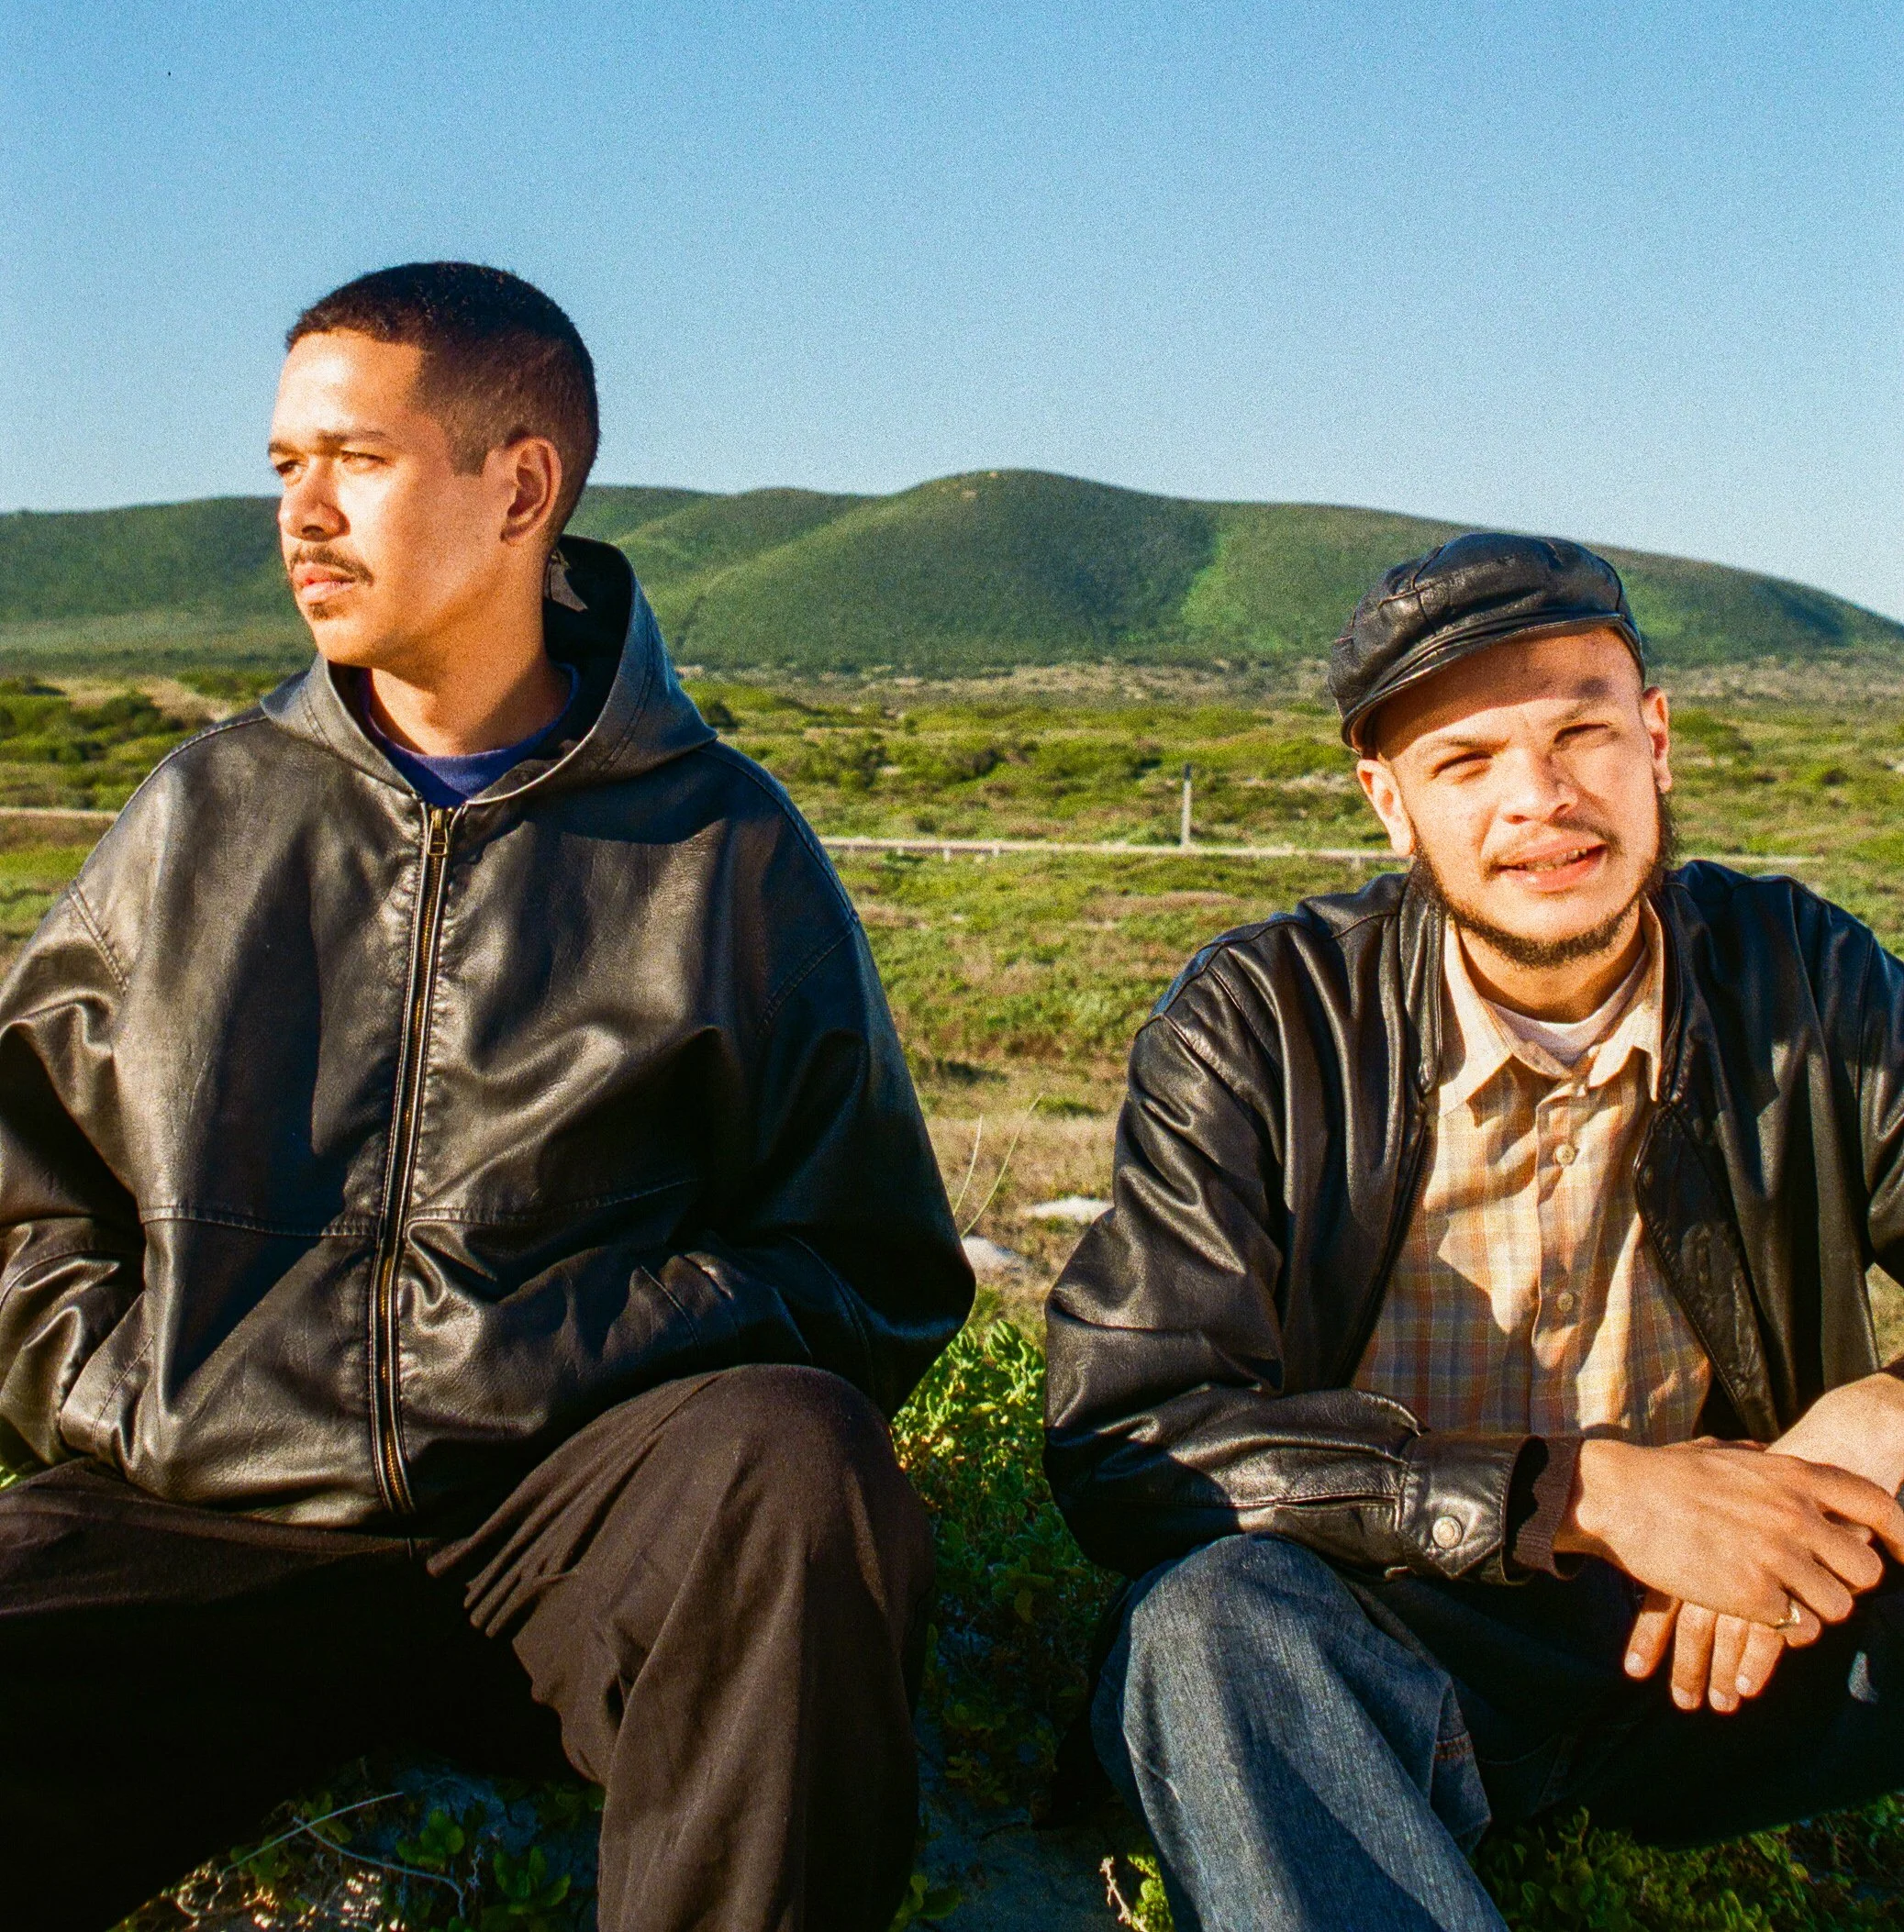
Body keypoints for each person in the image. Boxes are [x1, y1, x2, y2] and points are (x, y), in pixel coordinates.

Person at [0, 260, 972, 1932]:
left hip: (569, 1547)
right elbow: (20, 1193)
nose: (301, 513)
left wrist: (595, 1343)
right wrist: (123, 1407)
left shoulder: (721, 846)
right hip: (208, 1521)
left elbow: (872, 1270)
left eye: (356, 460)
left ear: (520, 485)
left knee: (794, 1458)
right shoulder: (202, 812)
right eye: (283, 466)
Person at [1046, 531, 1904, 1932]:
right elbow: (1128, 1439)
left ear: (1656, 738)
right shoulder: (1264, 1024)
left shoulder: (1802, 978)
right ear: (1389, 803)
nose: (1542, 799)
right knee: (1208, 1626)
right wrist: (1582, 1493)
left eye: (1581, 731)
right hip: (1387, 1649)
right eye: (1467, 762)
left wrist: (1871, 1416)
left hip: (1734, 1645)